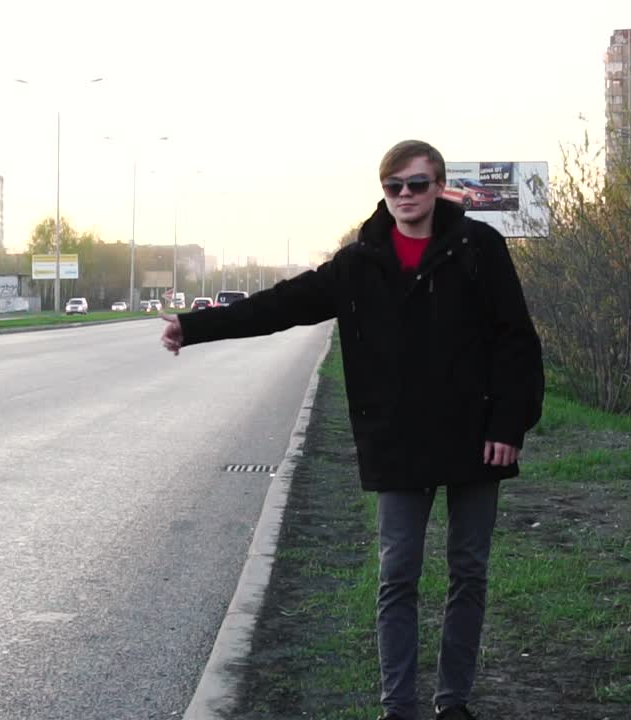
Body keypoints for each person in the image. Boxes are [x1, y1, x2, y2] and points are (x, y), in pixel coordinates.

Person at [160, 140, 544, 720]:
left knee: (468, 572)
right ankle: (399, 707)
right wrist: (195, 327)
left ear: (439, 186)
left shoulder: (478, 247)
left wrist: (510, 422)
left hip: (476, 436)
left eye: (417, 184)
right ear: (383, 191)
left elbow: (515, 338)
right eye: (394, 186)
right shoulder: (360, 260)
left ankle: (453, 702)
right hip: (399, 440)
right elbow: (280, 306)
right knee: (398, 577)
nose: (405, 196)